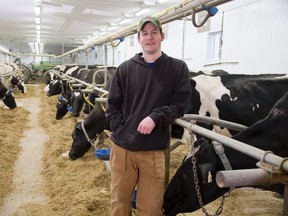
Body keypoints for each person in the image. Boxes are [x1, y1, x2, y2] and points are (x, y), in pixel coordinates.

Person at [105, 16, 191, 216]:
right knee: (119, 203)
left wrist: (156, 116)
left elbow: (180, 104)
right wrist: (122, 129)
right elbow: (112, 106)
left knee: (152, 209)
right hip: (122, 151)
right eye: (145, 33)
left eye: (154, 33)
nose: (149, 37)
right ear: (139, 39)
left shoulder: (177, 68)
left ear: (162, 36)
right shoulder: (125, 69)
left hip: (153, 151)